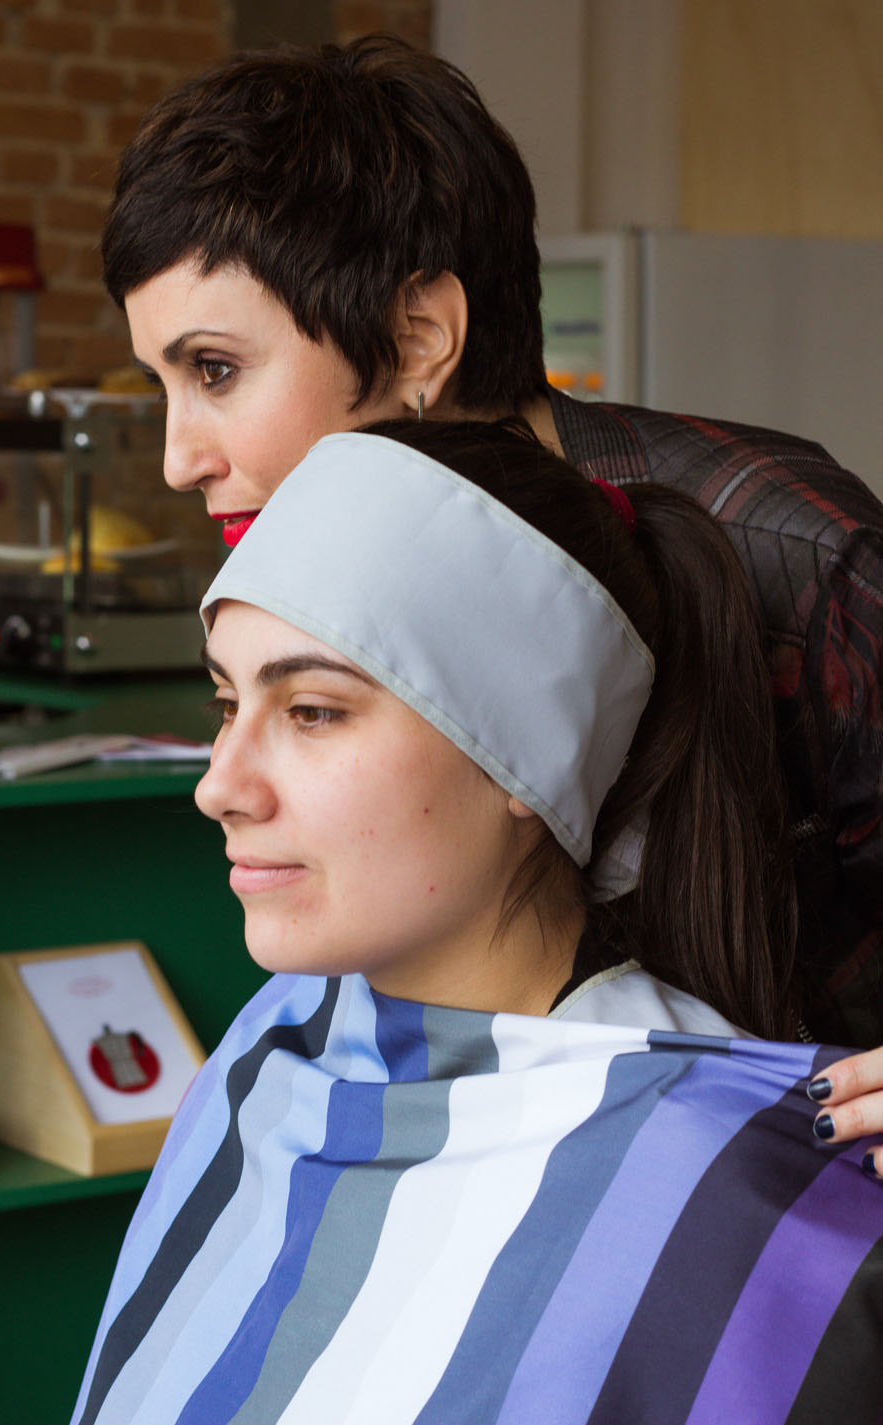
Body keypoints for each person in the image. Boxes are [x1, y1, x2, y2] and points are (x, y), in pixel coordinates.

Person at [100, 39, 883, 1145]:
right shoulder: (322, 589)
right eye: (161, 385)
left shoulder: (804, 559)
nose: (180, 459)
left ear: (419, 337)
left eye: (215, 371)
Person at [71, 423, 882, 1425]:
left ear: (524, 754)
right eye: (225, 703)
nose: (218, 786)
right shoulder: (267, 1047)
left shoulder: (713, 1181)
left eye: (312, 711)